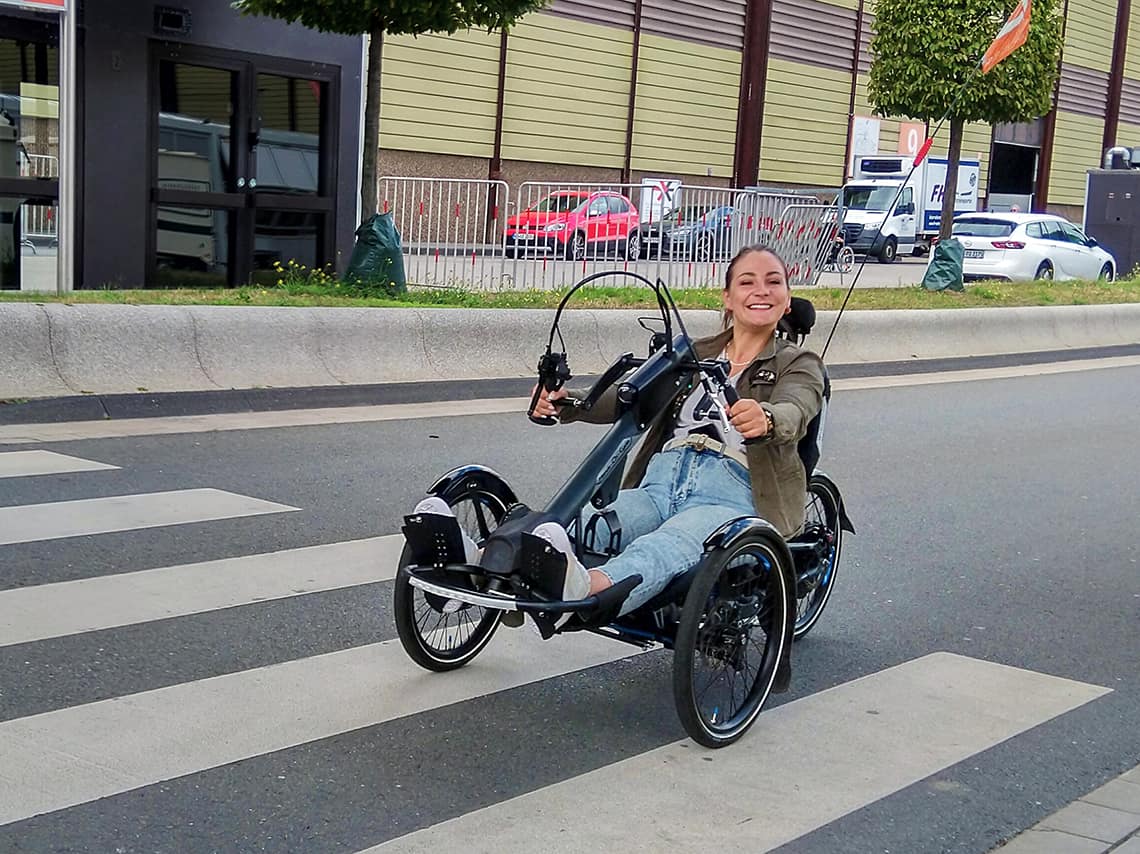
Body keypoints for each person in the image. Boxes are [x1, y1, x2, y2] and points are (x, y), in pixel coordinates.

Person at [522, 244, 827, 616]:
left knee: (667, 545)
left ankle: (585, 590)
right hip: (659, 481)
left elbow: (798, 405)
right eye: (747, 282)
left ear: (787, 299)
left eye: (773, 281)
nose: (761, 290)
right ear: (728, 299)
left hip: (730, 491)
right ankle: (484, 564)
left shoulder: (799, 362)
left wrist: (767, 418)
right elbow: (630, 396)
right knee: (580, 523)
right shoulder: (691, 354)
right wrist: (567, 400)